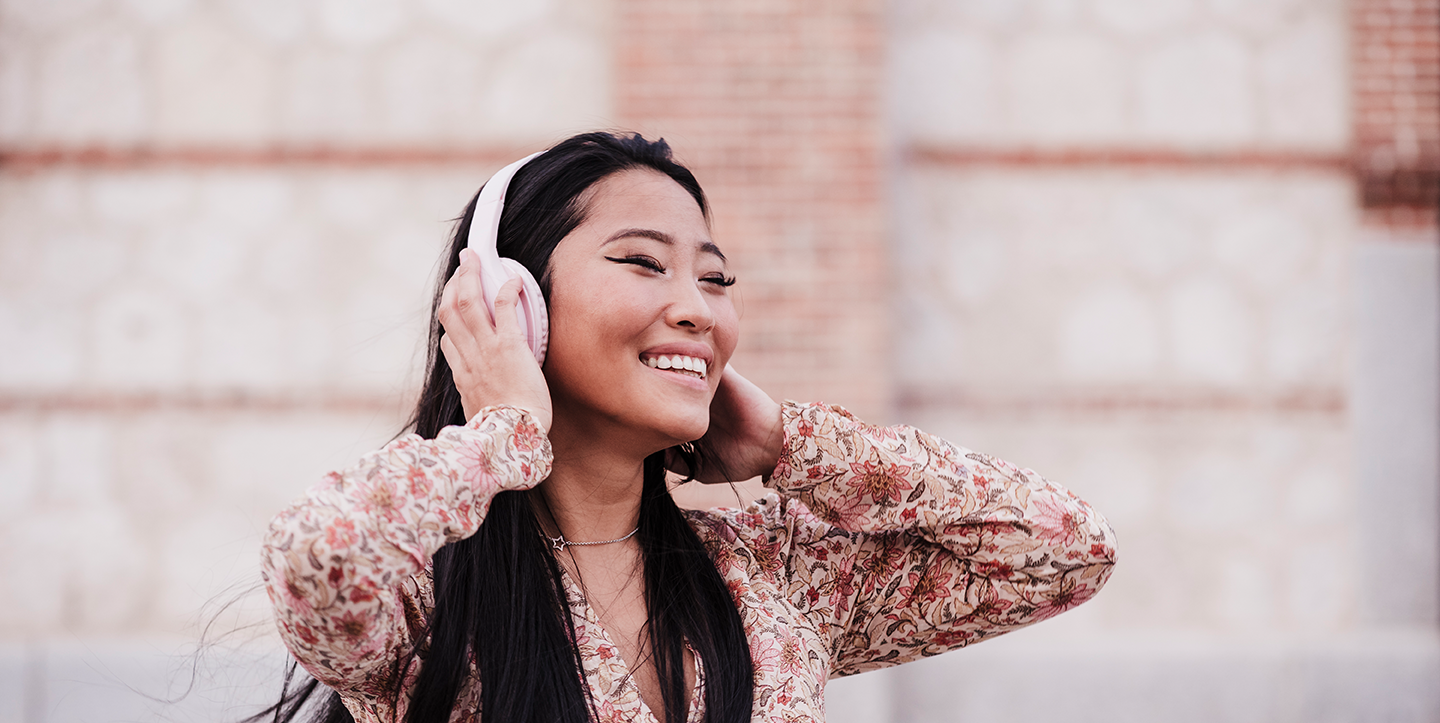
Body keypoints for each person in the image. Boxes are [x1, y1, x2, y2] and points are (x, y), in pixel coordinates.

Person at [258, 132, 1117, 723]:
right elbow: (318, 550)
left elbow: (1068, 548)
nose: (696, 309)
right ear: (512, 304)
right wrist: (506, 431)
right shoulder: (426, 605)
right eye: (643, 262)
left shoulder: (771, 575)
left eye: (715, 278)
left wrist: (792, 445)